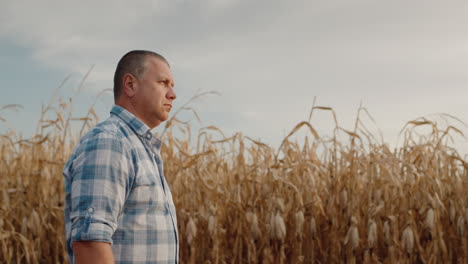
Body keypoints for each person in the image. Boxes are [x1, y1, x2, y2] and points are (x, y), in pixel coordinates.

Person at [63, 50, 178, 264]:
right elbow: (91, 244)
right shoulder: (111, 143)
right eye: (164, 83)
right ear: (130, 85)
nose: (173, 94)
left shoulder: (139, 147)